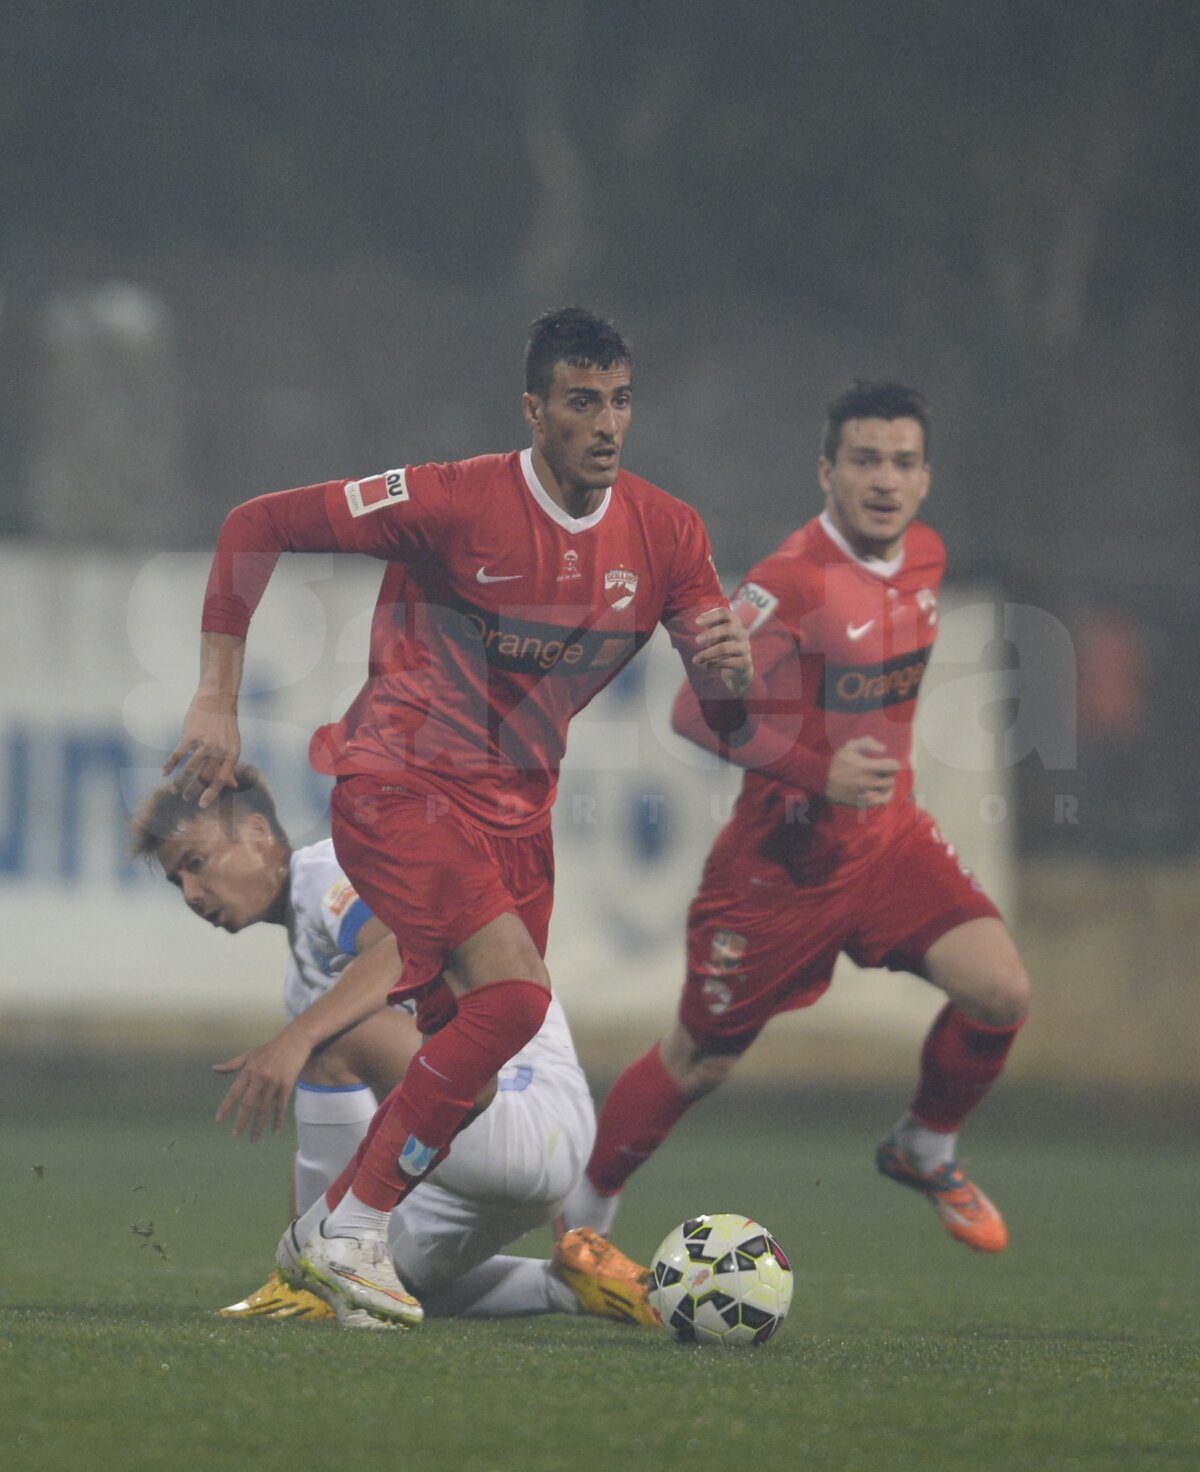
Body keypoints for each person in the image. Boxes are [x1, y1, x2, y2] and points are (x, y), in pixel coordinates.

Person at [163, 307, 753, 1325]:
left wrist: (736, 679)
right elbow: (253, 523)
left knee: (475, 1064)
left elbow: (719, 714)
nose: (606, 423)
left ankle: (337, 1246)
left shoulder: (669, 534)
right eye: (581, 401)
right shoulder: (452, 501)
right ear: (534, 410)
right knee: (517, 1001)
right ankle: (346, 1232)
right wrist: (218, 689)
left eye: (619, 400)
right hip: (399, 784)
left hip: (517, 821)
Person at [561, 381, 1031, 1254]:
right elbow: (690, 715)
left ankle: (924, 1146)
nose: (883, 480)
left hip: (890, 845)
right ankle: (584, 1209)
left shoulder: (925, 556)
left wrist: (864, 786)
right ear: (827, 471)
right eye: (863, 461)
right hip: (781, 869)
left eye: (901, 462)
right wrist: (818, 772)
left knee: (1000, 990)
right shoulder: (787, 583)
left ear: (925, 477)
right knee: (699, 1060)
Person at [131, 764, 657, 1328]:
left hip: (519, 1106)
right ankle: (567, 1285)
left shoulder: (327, 872)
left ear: (259, 834)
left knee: (329, 1044)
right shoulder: (305, 969)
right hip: (498, 1157)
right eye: (176, 881)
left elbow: (397, 944)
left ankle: (312, 1275)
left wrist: (299, 1037)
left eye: (195, 863)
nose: (191, 892)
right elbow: (331, 1131)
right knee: (386, 1281)